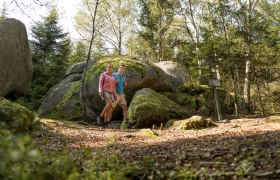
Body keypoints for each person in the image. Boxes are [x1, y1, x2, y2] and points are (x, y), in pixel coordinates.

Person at [110, 64, 137, 128]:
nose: (122, 69)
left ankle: (128, 122)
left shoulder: (123, 77)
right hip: (115, 94)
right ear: (118, 69)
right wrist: (114, 82)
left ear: (124, 70)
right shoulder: (114, 74)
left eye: (123, 68)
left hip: (121, 94)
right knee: (111, 108)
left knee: (125, 107)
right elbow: (110, 82)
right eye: (121, 67)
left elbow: (122, 84)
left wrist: (125, 84)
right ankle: (106, 122)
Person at [96, 63, 116, 127]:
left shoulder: (113, 77)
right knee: (109, 104)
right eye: (108, 67)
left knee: (109, 107)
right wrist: (100, 90)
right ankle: (100, 117)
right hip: (105, 91)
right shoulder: (103, 74)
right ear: (106, 68)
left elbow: (114, 86)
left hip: (111, 92)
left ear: (112, 69)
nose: (109, 68)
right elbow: (100, 83)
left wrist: (115, 94)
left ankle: (105, 123)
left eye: (110, 67)